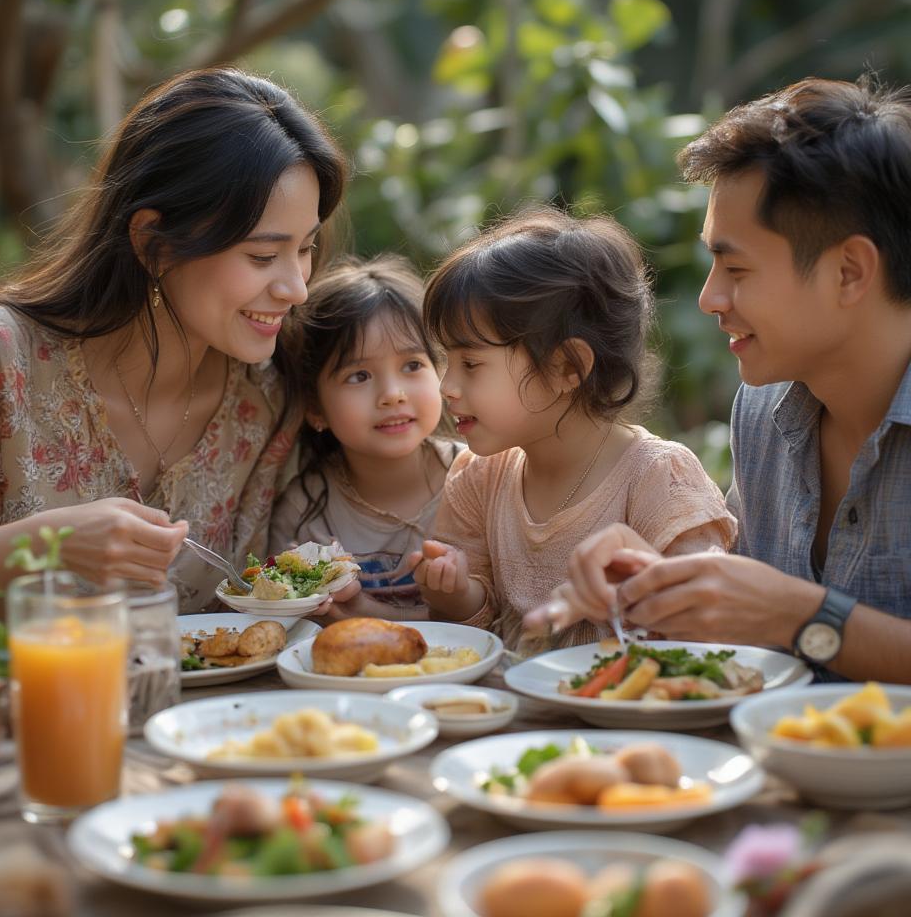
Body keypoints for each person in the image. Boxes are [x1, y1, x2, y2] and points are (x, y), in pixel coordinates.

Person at [0, 68, 348, 611]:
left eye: (306, 248)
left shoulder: (264, 396)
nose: (296, 288)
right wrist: (49, 545)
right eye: (263, 256)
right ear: (153, 242)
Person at [528, 76, 911, 683]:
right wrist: (658, 579)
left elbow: (783, 617)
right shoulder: (761, 412)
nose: (710, 298)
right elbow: (751, 626)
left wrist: (805, 615)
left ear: (849, 271)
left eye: (735, 268)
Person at [408, 205, 736, 654]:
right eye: (447, 361)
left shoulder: (660, 480)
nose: (447, 386)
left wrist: (636, 593)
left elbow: (711, 631)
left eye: (471, 364)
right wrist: (454, 593)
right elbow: (470, 631)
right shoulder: (480, 476)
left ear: (568, 367)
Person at [270, 255, 462, 621]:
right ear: (315, 407)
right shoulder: (305, 511)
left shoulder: (480, 478)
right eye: (359, 376)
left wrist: (362, 608)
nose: (393, 394)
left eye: (412, 365)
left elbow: (493, 619)